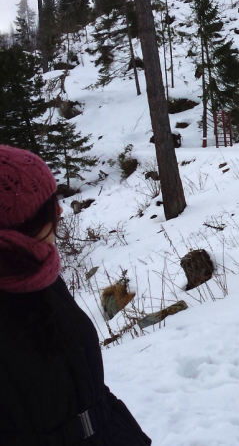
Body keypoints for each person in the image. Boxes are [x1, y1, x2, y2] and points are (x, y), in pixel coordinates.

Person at [0, 145, 152, 446]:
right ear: (15, 227)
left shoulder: (43, 276)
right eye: (46, 207)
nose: (59, 211)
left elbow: (85, 383)